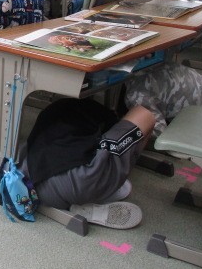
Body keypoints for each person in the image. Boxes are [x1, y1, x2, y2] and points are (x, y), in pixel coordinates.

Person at [16, 98, 155, 228]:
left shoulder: (59, 109)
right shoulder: (105, 116)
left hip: (34, 185)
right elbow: (144, 115)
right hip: (77, 183)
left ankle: (91, 195)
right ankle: (100, 192)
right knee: (145, 115)